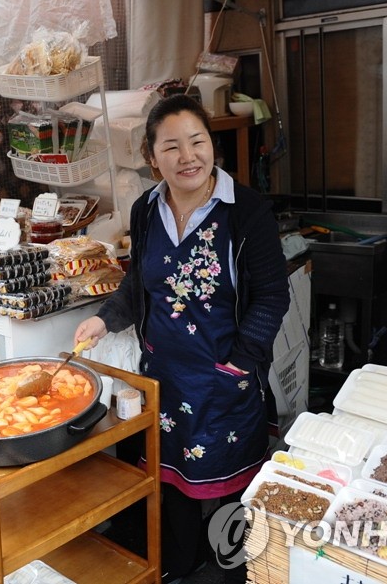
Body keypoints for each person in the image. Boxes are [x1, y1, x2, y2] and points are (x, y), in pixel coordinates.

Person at [76, 94, 290, 583]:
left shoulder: (246, 212)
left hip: (225, 379)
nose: (187, 156)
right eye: (171, 146)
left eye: (197, 142)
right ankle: (177, 567)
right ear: (153, 158)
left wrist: (241, 362)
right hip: (165, 378)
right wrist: (105, 320)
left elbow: (273, 296)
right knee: (170, 482)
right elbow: (138, 284)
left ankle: (233, 571)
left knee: (228, 492)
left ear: (212, 146)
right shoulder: (146, 210)